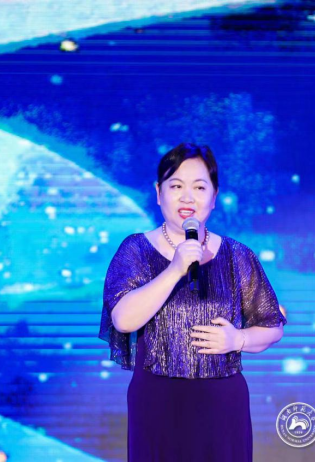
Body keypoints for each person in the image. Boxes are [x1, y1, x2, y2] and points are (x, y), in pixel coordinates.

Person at [98, 142, 287, 461]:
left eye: (199, 187)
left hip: (222, 406)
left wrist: (238, 339)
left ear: (214, 197)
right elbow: (123, 319)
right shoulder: (135, 250)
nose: (187, 197)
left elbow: (272, 326)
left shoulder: (237, 256)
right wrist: (175, 269)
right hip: (157, 404)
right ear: (159, 193)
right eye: (176, 186)